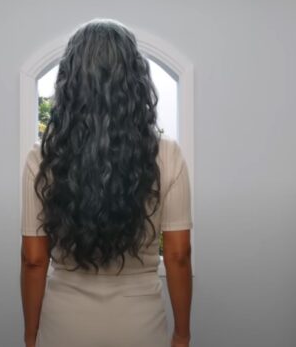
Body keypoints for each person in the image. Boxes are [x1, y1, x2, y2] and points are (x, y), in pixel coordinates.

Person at [20, 19, 193, 347]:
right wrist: (182, 334)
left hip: (63, 328)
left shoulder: (41, 158)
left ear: (69, 82)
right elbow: (179, 254)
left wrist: (31, 336)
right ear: (135, 79)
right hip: (141, 328)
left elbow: (33, 258)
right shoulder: (168, 153)